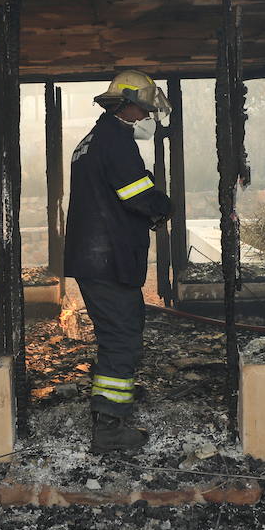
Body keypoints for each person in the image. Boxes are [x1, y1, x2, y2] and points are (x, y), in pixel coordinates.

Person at [64, 70, 174, 454]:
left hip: (95, 255)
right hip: (106, 257)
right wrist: (162, 206)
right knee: (122, 337)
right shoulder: (116, 141)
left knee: (119, 331)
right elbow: (136, 194)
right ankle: (110, 426)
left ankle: (111, 400)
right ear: (126, 106)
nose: (146, 119)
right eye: (144, 111)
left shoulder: (94, 139)